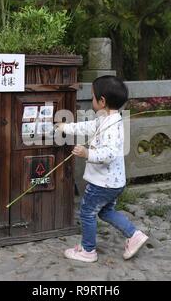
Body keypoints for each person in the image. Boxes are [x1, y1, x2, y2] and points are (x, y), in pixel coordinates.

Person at [55, 75, 149, 263]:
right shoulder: (106, 119)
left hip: (103, 184)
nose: (92, 100)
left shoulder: (112, 126)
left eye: (92, 97)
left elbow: (110, 154)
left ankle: (88, 250)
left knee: (87, 212)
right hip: (113, 183)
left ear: (102, 100)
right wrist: (66, 127)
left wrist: (87, 153)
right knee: (105, 212)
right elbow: (88, 126)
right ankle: (134, 235)